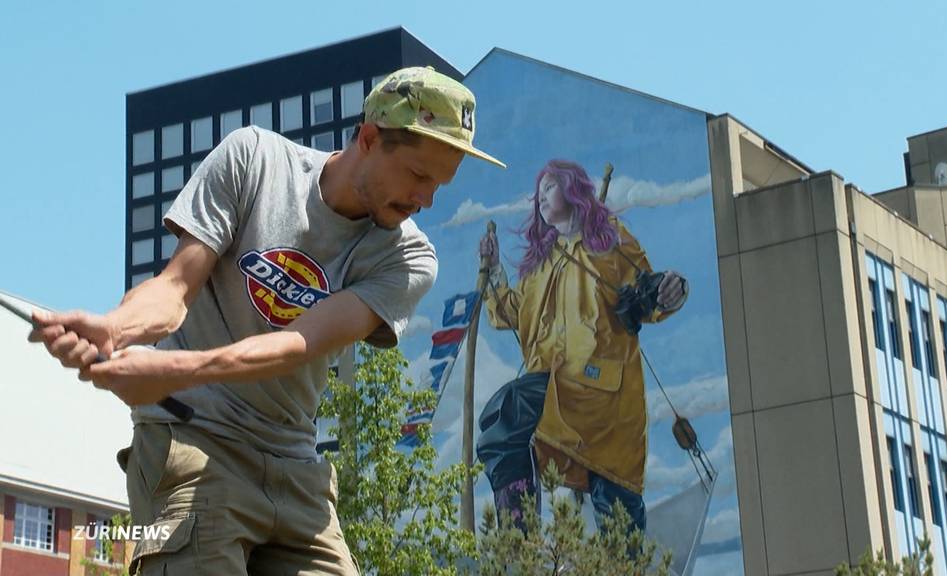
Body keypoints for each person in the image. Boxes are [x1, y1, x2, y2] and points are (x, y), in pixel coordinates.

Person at [28, 67, 504, 575]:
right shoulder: (254, 160)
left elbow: (297, 344)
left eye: (440, 184)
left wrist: (173, 371)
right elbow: (173, 290)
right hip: (195, 444)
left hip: (298, 471)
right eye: (419, 175)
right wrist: (115, 329)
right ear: (369, 138)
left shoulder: (408, 259)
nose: (426, 200)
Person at [476, 159, 686, 534]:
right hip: (557, 388)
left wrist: (669, 291)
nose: (541, 198)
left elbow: (647, 290)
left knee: (616, 505)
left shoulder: (610, 241)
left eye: (549, 188)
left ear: (573, 191)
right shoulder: (542, 264)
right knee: (504, 416)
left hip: (605, 395)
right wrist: (493, 270)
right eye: (538, 193)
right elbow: (511, 312)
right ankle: (518, 540)